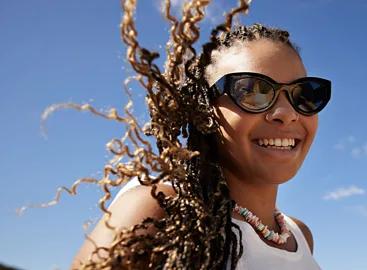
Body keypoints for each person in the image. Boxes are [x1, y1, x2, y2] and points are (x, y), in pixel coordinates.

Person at [68, 1, 331, 269]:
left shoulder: (300, 236)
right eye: (252, 91)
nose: (287, 113)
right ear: (202, 110)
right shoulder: (160, 210)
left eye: (304, 94)